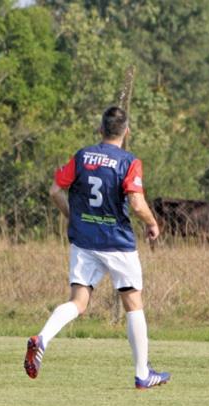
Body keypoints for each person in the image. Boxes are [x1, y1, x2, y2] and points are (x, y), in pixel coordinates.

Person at [24, 106, 170, 389]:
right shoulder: (129, 161)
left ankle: (42, 338)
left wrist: (72, 216)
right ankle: (143, 373)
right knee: (133, 303)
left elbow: (55, 190)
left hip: (84, 240)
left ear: (100, 130)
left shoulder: (81, 157)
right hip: (117, 242)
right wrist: (152, 223)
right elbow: (137, 204)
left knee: (78, 302)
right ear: (127, 132)